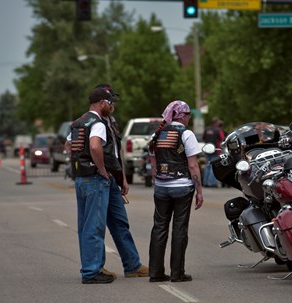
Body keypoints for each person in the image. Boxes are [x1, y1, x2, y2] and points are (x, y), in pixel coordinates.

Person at [70, 86, 148, 284]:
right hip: (97, 179)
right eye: (110, 102)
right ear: (101, 103)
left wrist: (120, 177)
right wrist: (101, 169)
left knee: (119, 222)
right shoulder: (96, 122)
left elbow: (69, 145)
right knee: (93, 226)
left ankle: (132, 265)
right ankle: (91, 271)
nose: (112, 106)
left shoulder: (84, 122)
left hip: (105, 179)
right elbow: (95, 146)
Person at [148, 100, 203, 283]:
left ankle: (155, 272)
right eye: (188, 115)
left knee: (159, 228)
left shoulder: (157, 134)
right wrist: (199, 191)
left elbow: (153, 165)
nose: (189, 118)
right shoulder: (186, 134)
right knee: (179, 229)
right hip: (182, 187)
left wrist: (158, 181)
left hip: (162, 188)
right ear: (182, 115)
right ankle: (177, 273)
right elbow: (193, 166)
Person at [202, 117, 225, 187]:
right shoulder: (218, 130)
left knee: (207, 166)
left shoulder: (207, 129)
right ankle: (212, 183)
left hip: (207, 150)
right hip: (216, 150)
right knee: (213, 167)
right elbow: (223, 139)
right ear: (216, 123)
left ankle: (205, 182)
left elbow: (203, 138)